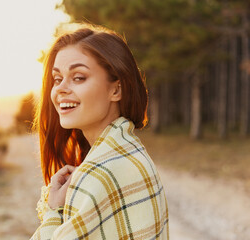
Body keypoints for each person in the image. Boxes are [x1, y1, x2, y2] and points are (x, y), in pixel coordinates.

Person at [31, 24, 169, 240]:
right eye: (57, 79)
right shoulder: (127, 152)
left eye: (78, 77)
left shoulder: (100, 174)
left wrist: (54, 212)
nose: (61, 88)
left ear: (116, 89)